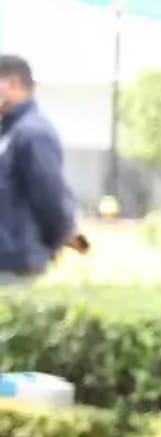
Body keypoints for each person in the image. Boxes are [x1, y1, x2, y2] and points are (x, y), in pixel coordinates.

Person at [0, 55, 84, 283]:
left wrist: (55, 240)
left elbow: (50, 196)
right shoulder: (9, 131)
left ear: (13, 84)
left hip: (16, 263)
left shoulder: (32, 132)